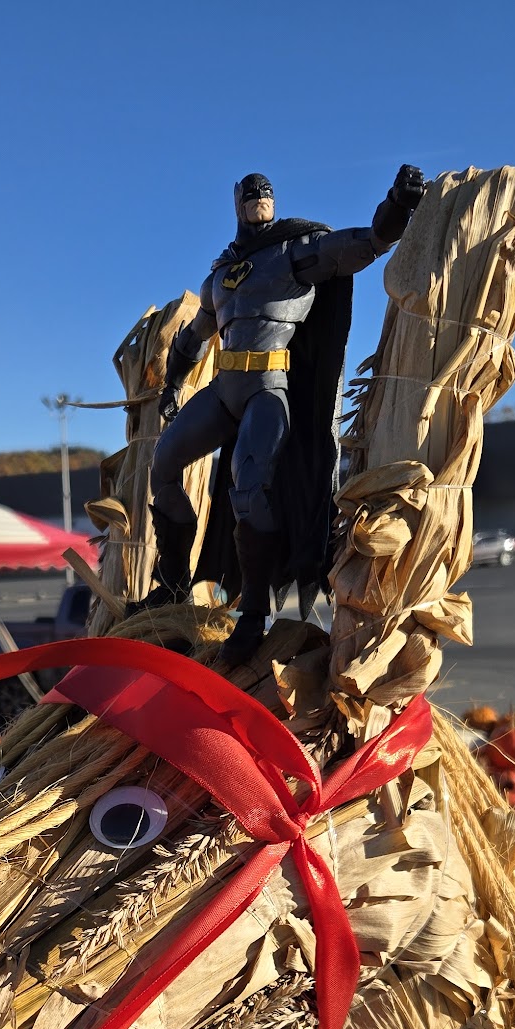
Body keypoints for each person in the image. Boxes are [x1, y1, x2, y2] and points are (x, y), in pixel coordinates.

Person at [146, 166, 427, 664]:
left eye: (265, 192)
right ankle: (170, 585)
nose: (259, 198)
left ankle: (253, 614)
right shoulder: (222, 274)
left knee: (249, 489)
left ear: (274, 201)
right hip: (225, 387)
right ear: (237, 202)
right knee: (164, 465)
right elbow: (194, 336)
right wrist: (171, 382)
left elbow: (365, 244)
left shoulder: (293, 252)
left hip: (268, 389)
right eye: (250, 193)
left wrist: (398, 205)